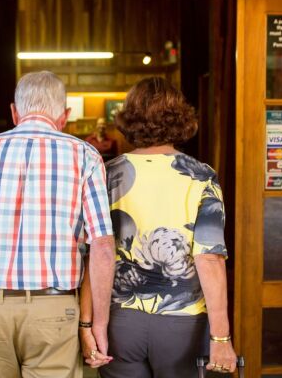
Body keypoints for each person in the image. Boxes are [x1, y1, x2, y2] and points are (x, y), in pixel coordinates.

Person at [0, 71, 115, 377]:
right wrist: (97, 325)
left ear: (14, 112)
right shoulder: (85, 156)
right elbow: (102, 247)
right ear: (65, 115)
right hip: (55, 310)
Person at [92, 77, 238, 377]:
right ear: (179, 118)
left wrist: (90, 323)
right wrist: (221, 338)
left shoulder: (106, 174)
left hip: (120, 318)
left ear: (129, 118)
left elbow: (92, 252)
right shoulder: (201, 177)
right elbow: (209, 258)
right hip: (183, 323)